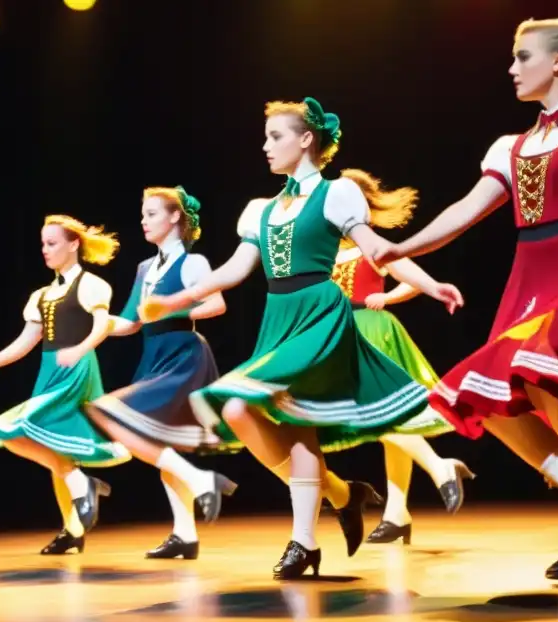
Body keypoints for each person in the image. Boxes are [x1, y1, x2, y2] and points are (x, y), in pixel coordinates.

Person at [142, 98, 463, 579]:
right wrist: (175, 300)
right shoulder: (260, 209)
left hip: (319, 312)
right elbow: (234, 270)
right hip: (279, 317)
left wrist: (427, 284)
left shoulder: (337, 194)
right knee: (241, 411)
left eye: (276, 136)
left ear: (306, 139)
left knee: (268, 409)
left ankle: (304, 540)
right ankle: (339, 493)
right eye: (267, 137)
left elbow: (377, 250)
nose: (266, 145)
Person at [367, 17, 558, 578]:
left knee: (508, 380)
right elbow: (465, 210)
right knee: (523, 410)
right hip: (531, 277)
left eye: (523, 56)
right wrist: (402, 248)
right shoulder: (511, 146)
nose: (512, 68)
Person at [0, 215, 131, 554]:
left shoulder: (92, 285)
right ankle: (72, 528)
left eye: (52, 243)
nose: (45, 250)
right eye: (42, 244)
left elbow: (101, 326)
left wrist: (81, 349)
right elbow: (24, 343)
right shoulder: (41, 295)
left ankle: (82, 485)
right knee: (56, 452)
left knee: (7, 429)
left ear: (73, 244)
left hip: (77, 369)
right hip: (49, 372)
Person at [85, 186, 237, 560]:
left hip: (184, 354)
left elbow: (216, 304)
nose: (143, 220)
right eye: (143, 214)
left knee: (112, 413)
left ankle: (201, 485)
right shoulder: (144, 268)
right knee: (162, 442)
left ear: (174, 218)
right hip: (153, 356)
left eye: (151, 213)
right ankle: (184, 533)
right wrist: (95, 326)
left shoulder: (193, 263)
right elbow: (132, 323)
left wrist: (171, 310)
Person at [328, 243, 475, 544]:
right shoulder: (324, 248)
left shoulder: (369, 244)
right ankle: (397, 514)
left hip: (372, 332)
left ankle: (438, 466)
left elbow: (412, 279)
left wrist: (387, 296)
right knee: (391, 422)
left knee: (379, 417)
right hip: (342, 333)